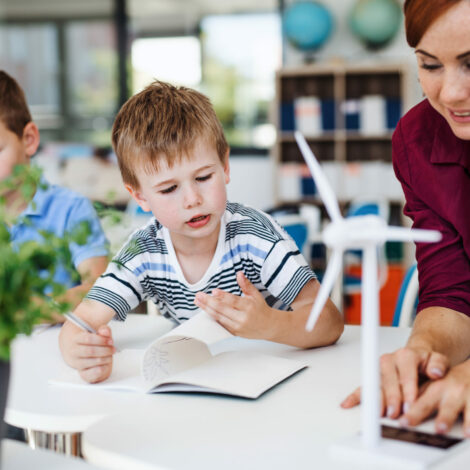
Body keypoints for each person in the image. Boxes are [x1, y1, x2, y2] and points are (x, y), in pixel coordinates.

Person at [59, 80, 344, 384]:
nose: (192, 199)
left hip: (274, 373)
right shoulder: (142, 253)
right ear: (140, 197)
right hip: (198, 378)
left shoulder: (254, 236)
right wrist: (82, 353)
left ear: (225, 167)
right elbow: (80, 322)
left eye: (204, 177)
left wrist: (270, 324)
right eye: (169, 188)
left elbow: (329, 321)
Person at [341, 0, 470, 437]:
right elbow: (452, 290)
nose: (451, 93)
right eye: (431, 65)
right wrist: (424, 352)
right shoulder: (417, 140)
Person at [0, 70, 109, 316]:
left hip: (55, 348)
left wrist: (26, 312)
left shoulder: (71, 209)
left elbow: (99, 290)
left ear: (28, 140)